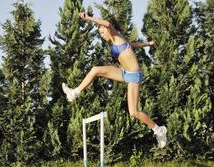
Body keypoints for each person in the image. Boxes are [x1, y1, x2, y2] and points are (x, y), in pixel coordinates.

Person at [62, 12, 167, 148]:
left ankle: (159, 130)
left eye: (102, 32)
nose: (101, 35)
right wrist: (148, 43)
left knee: (134, 112)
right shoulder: (116, 42)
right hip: (124, 73)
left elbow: (107, 24)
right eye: (99, 33)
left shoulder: (116, 37)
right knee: (95, 70)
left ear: (108, 30)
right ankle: (75, 92)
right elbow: (132, 45)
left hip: (134, 75)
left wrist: (88, 18)